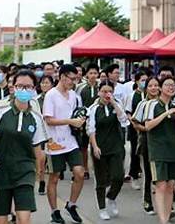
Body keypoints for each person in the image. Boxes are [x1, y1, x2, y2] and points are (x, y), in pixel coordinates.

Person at [0, 70, 48, 224]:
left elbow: (38, 149)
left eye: (28, 87)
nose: (23, 90)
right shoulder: (0, 111)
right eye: (20, 86)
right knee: (0, 221)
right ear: (13, 88)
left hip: (25, 173)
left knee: (24, 219)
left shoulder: (36, 117)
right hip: (0, 172)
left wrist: (38, 174)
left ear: (34, 89)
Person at [43, 64, 85, 224]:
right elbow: (48, 119)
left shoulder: (74, 95)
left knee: (79, 172)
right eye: (71, 79)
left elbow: (77, 114)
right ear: (62, 77)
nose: (73, 82)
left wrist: (79, 121)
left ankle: (71, 204)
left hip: (71, 141)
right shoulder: (51, 95)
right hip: (54, 143)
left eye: (75, 79)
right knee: (54, 177)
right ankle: (55, 211)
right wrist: (69, 121)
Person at [144, 76, 175, 224]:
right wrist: (165, 114)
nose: (171, 87)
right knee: (160, 184)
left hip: (174, 151)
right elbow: (148, 126)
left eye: (173, 85)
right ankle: (162, 220)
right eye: (167, 85)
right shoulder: (152, 104)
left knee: (170, 185)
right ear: (161, 88)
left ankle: (167, 216)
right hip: (158, 151)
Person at [87, 80, 129, 220]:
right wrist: (94, 146)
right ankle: (102, 208)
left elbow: (124, 120)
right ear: (99, 92)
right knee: (101, 180)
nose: (107, 94)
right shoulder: (94, 108)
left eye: (109, 91)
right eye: (104, 91)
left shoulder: (116, 104)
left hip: (116, 146)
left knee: (118, 176)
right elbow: (91, 129)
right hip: (100, 147)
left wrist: (114, 103)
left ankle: (111, 197)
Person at [131, 76, 160, 215]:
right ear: (146, 88)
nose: (154, 88)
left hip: (164, 143)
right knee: (148, 174)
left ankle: (167, 203)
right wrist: (144, 129)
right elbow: (134, 121)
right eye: (151, 86)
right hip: (147, 142)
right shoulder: (143, 104)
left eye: (156, 85)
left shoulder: (166, 102)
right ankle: (147, 201)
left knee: (164, 175)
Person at [75, 63, 100, 180]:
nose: (93, 75)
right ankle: (85, 168)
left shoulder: (101, 87)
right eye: (91, 73)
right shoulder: (80, 88)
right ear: (86, 75)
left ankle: (98, 168)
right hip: (85, 120)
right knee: (83, 146)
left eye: (95, 73)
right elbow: (78, 104)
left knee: (97, 144)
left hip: (98, 121)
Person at [125, 71, 148, 191]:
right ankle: (134, 176)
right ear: (137, 81)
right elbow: (128, 112)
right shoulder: (132, 95)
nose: (144, 82)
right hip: (135, 129)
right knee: (135, 153)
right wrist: (134, 123)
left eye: (146, 80)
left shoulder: (150, 95)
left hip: (148, 127)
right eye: (142, 80)